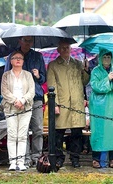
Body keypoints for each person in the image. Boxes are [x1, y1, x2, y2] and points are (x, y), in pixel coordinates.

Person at [47, 39, 90, 168]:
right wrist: (55, 104)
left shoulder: (77, 64)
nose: (66, 50)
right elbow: (51, 86)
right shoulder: (53, 65)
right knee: (59, 133)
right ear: (58, 50)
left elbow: (84, 82)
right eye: (63, 48)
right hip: (62, 103)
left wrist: (86, 70)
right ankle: (59, 158)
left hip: (76, 103)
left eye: (68, 48)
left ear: (71, 49)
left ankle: (75, 158)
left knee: (76, 132)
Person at [4, 36, 46, 167]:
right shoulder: (13, 55)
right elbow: (6, 77)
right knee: (23, 130)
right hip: (17, 100)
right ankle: (25, 158)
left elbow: (44, 78)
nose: (28, 43)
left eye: (30, 41)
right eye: (25, 40)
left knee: (38, 128)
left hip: (36, 97)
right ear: (19, 41)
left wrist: (38, 75)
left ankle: (37, 156)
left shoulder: (38, 56)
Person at [0, 51, 35, 171]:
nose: (18, 60)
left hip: (25, 108)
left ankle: (21, 161)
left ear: (23, 61)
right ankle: (12, 162)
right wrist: (15, 101)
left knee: (22, 135)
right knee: (12, 134)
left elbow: (31, 91)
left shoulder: (28, 75)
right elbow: (4, 91)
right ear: (11, 61)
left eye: (20, 58)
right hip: (10, 107)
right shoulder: (6, 75)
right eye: (15, 58)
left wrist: (23, 100)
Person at [89, 49, 113, 168]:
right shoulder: (95, 71)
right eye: (104, 57)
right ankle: (95, 158)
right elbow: (95, 86)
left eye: (109, 57)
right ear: (100, 58)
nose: (107, 59)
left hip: (112, 105)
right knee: (98, 131)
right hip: (98, 106)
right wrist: (107, 80)